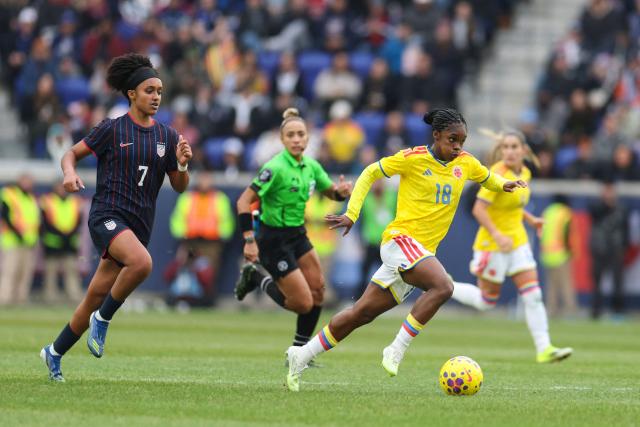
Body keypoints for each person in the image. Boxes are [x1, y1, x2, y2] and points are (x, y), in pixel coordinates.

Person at [284, 108, 527, 392]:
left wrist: (504, 184)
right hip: (400, 241)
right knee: (443, 286)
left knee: (360, 313)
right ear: (436, 135)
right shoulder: (412, 158)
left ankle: (301, 354)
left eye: (462, 140)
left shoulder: (465, 163)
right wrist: (352, 212)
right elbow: (370, 172)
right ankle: (396, 348)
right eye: (452, 139)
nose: (458, 145)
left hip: (420, 252)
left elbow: (486, 177)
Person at [40, 53, 192, 382]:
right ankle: (104, 319)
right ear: (132, 94)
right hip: (107, 216)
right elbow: (71, 154)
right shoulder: (112, 128)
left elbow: (179, 187)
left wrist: (181, 165)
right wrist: (68, 174)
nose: (156, 97)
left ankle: (54, 351)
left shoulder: (167, 136)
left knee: (94, 294)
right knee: (142, 264)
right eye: (149, 90)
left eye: (160, 91)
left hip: (138, 225)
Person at [234, 108, 352, 357]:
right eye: (291, 135)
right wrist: (249, 241)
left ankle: (299, 354)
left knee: (319, 290)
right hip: (272, 239)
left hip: (297, 234)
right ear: (282, 140)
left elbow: (329, 190)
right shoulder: (274, 168)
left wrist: (341, 191)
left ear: (308, 138)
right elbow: (244, 202)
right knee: (303, 303)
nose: (297, 139)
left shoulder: (311, 166)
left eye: (301, 134)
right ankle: (256, 277)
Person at [450, 130, 573, 363]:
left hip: (516, 241)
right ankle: (445, 285)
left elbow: (514, 205)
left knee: (533, 294)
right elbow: (479, 209)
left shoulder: (525, 173)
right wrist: (497, 235)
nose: (509, 151)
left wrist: (530, 219)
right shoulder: (496, 174)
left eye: (514, 147)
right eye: (505, 147)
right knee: (487, 302)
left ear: (524, 151)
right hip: (493, 244)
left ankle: (544, 348)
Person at [169, 171, 235, 305]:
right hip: (190, 241)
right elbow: (178, 219)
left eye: (207, 180)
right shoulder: (187, 197)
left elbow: (227, 220)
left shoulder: (219, 198)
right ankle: (183, 297)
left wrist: (222, 236)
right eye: (202, 179)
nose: (205, 183)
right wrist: (182, 234)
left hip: (211, 243)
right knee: (184, 268)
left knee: (208, 272)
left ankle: (207, 300)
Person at [589, 180, 629, 319]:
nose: (609, 194)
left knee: (618, 281)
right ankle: (596, 311)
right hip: (599, 248)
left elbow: (625, 229)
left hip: (616, 248)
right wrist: (607, 204)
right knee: (597, 282)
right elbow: (595, 215)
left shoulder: (622, 208)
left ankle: (617, 311)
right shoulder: (597, 206)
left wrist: (625, 246)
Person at [39, 182, 84, 304]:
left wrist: (69, 234)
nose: (61, 190)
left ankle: (74, 297)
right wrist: (60, 233)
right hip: (52, 242)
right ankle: (50, 297)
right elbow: (44, 221)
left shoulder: (75, 201)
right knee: (51, 272)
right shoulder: (46, 200)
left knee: (72, 271)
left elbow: (79, 220)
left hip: (70, 242)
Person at [0, 174, 40, 305]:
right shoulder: (9, 194)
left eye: (30, 182)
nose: (28, 184)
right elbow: (6, 216)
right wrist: (18, 234)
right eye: (25, 181)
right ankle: (5, 299)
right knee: (10, 271)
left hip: (29, 242)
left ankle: (20, 299)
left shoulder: (31, 198)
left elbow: (34, 221)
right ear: (19, 181)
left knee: (25, 273)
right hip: (12, 241)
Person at [355, 179, 396, 299]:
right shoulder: (367, 199)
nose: (377, 185)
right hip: (371, 242)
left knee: (390, 274)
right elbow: (361, 222)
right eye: (375, 182)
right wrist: (361, 240)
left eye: (379, 182)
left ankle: (387, 300)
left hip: (387, 242)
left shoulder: (392, 197)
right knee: (364, 273)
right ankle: (358, 301)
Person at [540, 195, 578, 318]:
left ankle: (552, 311)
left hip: (547, 254)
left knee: (551, 286)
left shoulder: (547, 212)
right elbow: (568, 233)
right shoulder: (565, 213)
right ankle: (570, 311)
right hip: (561, 254)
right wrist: (570, 250)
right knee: (566, 284)